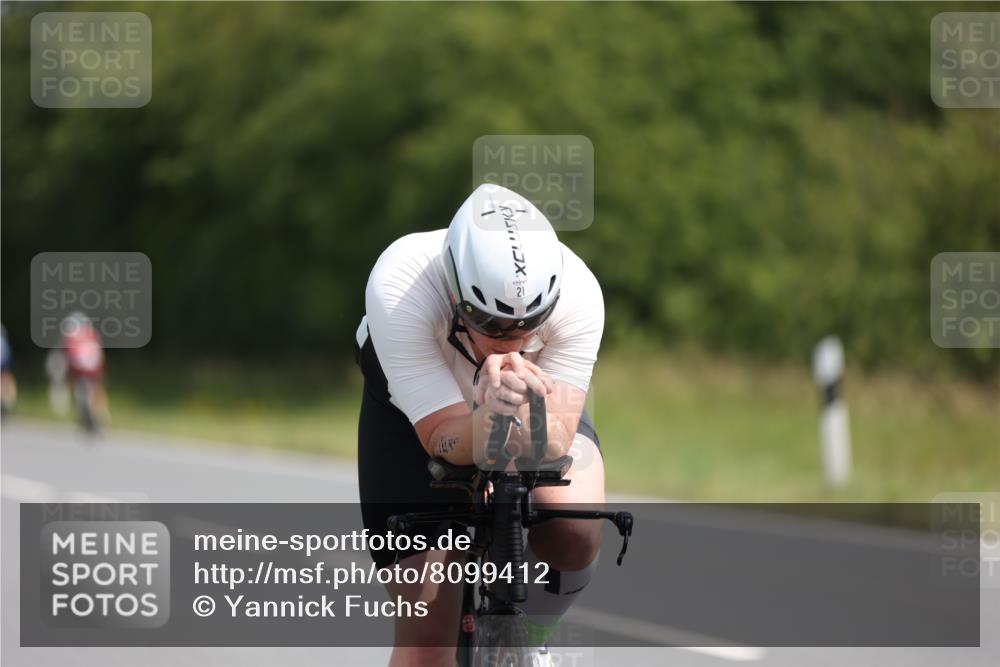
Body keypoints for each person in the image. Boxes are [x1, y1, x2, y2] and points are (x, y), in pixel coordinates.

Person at [356, 184, 605, 666]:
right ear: (454, 295)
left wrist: (512, 419)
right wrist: (485, 414)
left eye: (530, 325)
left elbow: (552, 439)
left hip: (534, 397)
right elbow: (442, 439)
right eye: (489, 325)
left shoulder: (581, 293)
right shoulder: (400, 284)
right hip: (419, 412)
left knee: (574, 529)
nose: (511, 342)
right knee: (426, 642)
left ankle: (530, 635)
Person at [61, 312, 109, 427]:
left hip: (80, 367)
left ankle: (81, 411)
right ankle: (103, 414)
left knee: (73, 383)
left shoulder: (71, 335)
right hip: (95, 365)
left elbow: (68, 355)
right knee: (97, 387)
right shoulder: (92, 333)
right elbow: (99, 351)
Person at [0, 323, 16, 415]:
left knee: (5, 383)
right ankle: (6, 404)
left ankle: (5, 404)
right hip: (5, 365)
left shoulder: (3, 343)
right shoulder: (4, 342)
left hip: (4, 365)